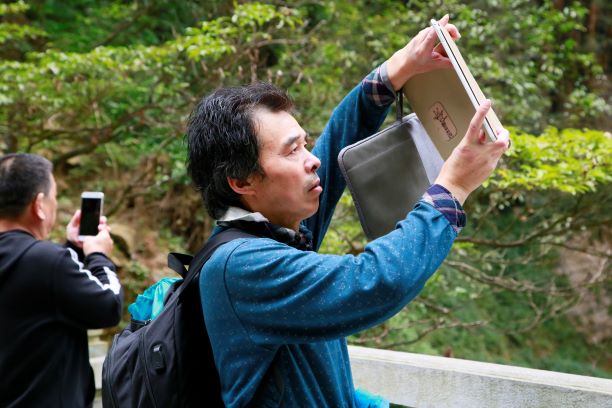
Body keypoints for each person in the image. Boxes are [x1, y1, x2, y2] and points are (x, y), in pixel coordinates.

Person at [186, 15, 510, 407]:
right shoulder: (242, 266)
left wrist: (395, 71)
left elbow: (336, 146)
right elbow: (374, 282)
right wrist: (452, 188)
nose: (312, 160)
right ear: (242, 181)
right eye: (292, 151)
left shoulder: (275, 229)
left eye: (305, 144)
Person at [0, 153, 123, 407]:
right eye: (53, 197)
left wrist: (72, 249)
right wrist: (98, 256)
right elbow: (109, 305)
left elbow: (38, 290)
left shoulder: (42, 263)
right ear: (39, 205)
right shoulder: (47, 262)